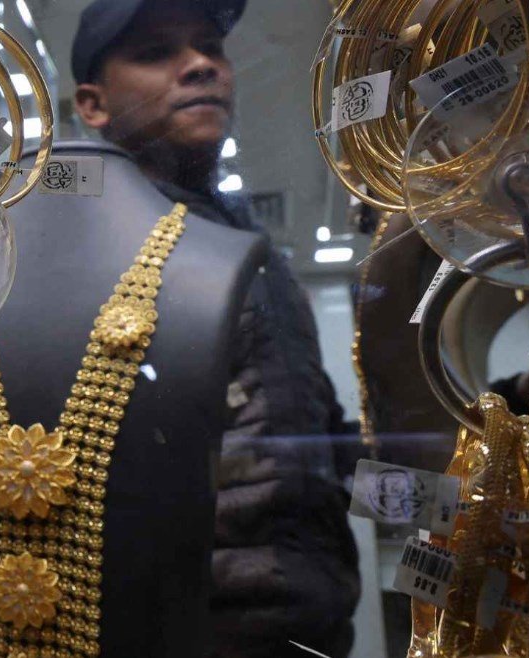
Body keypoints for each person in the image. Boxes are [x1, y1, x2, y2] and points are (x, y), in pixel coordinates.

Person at [71, 1, 362, 656]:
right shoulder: (91, 244)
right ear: (92, 104)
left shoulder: (251, 250)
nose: (200, 65)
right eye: (155, 53)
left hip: (308, 620)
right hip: (178, 631)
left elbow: (310, 436)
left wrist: (435, 485)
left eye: (210, 46)